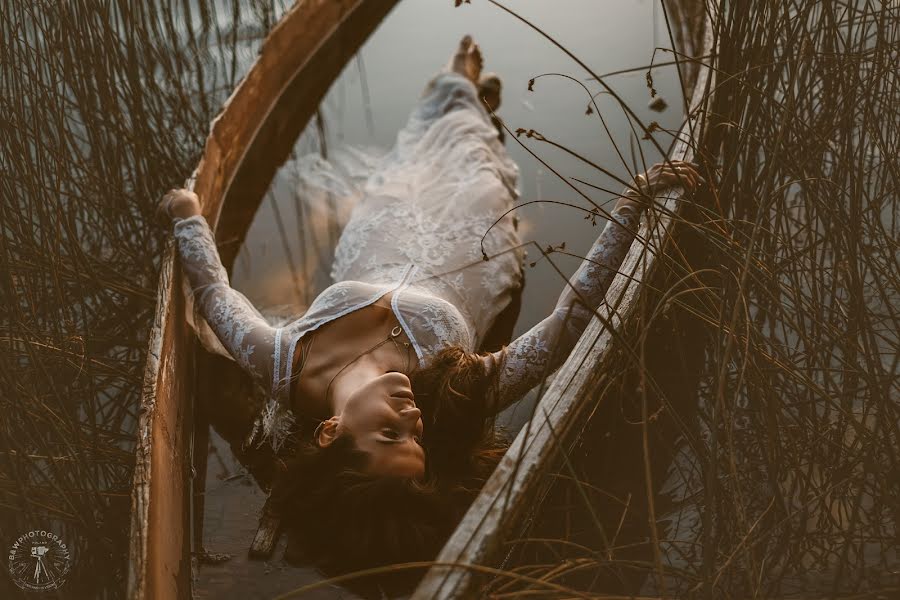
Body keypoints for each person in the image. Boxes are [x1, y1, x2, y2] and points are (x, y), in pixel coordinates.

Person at [158, 35, 703, 575]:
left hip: (382, 226)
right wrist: (629, 207)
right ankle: (468, 93)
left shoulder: (284, 360)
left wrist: (187, 216)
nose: (413, 418)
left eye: (390, 433)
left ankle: (457, 86)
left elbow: (215, 295)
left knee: (412, 154)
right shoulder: (456, 391)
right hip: (474, 239)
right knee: (473, 154)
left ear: (329, 432)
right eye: (416, 438)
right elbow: (571, 322)